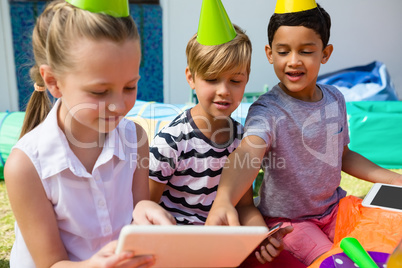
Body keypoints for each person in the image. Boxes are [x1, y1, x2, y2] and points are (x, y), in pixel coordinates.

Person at [205, 0, 402, 266]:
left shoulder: (335, 99)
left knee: (389, 231)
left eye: (306, 51)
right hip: (290, 224)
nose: (293, 61)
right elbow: (248, 154)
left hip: (335, 210)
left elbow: (342, 155)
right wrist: (224, 199)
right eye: (283, 51)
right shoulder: (267, 110)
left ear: (325, 53)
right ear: (269, 53)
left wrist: (393, 178)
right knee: (333, 261)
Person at [4, 0, 174, 267]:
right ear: (53, 82)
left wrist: (145, 210)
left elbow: (136, 208)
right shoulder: (25, 167)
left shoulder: (136, 139)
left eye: (130, 87)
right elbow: (51, 263)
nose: (119, 106)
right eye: (99, 92)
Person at [148, 0, 295, 265]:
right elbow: (145, 209)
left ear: (246, 79)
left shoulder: (243, 140)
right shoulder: (172, 140)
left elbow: (245, 206)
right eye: (212, 79)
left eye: (235, 81)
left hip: (222, 250)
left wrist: (261, 236)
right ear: (191, 77)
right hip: (174, 250)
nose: (224, 90)